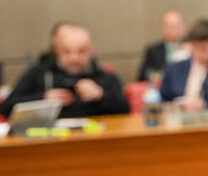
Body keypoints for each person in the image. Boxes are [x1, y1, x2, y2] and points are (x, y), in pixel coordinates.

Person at [0, 22, 129, 118]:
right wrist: (43, 99)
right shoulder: (38, 74)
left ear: (92, 50)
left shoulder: (105, 78)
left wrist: (100, 96)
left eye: (81, 51)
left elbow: (126, 111)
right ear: (57, 51)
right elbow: (6, 108)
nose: (74, 58)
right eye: (67, 51)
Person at [159, 18, 208, 110]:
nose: (200, 53)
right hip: (178, 116)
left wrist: (204, 104)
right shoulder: (175, 67)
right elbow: (163, 98)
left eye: (205, 48)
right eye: (196, 47)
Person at [137, 10, 187, 83]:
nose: (175, 29)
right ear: (162, 29)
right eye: (171, 26)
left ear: (184, 28)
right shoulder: (153, 51)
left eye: (178, 25)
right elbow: (143, 76)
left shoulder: (192, 48)